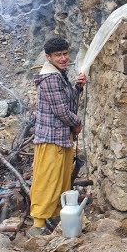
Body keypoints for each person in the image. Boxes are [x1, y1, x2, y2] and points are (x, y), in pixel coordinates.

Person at [31, 37, 87, 237]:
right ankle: (37, 224)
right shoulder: (51, 78)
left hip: (61, 138)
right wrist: (77, 123)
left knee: (61, 181)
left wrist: (78, 87)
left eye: (65, 54)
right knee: (47, 181)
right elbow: (61, 111)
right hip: (51, 138)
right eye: (58, 55)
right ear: (48, 57)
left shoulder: (59, 74)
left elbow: (68, 101)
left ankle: (56, 216)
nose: (63, 58)